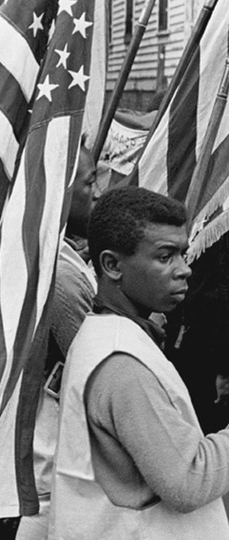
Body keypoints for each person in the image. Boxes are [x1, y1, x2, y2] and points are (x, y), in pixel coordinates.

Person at [50, 186, 229, 538]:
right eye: (165, 257)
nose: (185, 270)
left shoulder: (110, 336)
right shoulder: (121, 361)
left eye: (183, 254)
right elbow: (188, 482)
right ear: (112, 265)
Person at [15, 146, 98, 540]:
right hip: (45, 453)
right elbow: (95, 364)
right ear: (60, 192)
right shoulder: (60, 277)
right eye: (89, 181)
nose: (97, 193)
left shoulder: (51, 253)